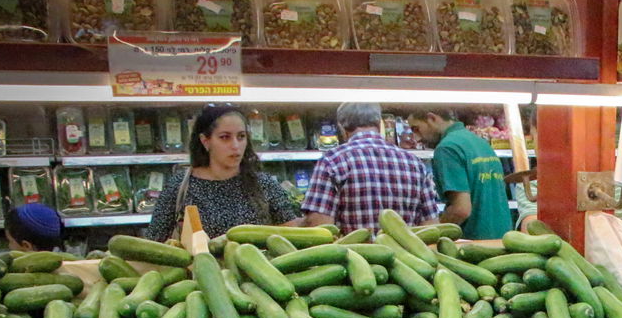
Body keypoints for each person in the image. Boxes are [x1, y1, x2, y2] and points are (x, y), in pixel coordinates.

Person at [144, 104, 300, 243]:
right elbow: (154, 243)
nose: (235, 145)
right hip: (198, 273)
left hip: (255, 273)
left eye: (241, 136)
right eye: (225, 137)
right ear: (205, 141)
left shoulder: (264, 184)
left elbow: (292, 236)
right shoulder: (180, 186)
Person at [301, 102, 441, 235]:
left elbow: (320, 228)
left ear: (341, 127)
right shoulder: (415, 164)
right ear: (379, 123)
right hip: (406, 259)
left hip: (353, 257)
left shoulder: (332, 161)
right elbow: (431, 228)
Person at [408, 107, 510, 240]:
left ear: (432, 118)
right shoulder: (480, 143)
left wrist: (429, 231)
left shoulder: (447, 148)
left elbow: (460, 210)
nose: (416, 138)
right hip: (502, 239)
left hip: (473, 244)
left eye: (416, 129)